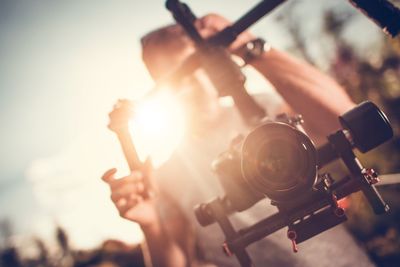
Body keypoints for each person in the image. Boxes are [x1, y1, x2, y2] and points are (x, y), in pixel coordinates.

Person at [102, 14, 374, 267]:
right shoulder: (170, 176)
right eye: (172, 80)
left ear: (211, 62)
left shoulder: (269, 110)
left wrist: (248, 46)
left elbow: (353, 121)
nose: (188, 86)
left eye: (192, 66)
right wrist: (150, 226)